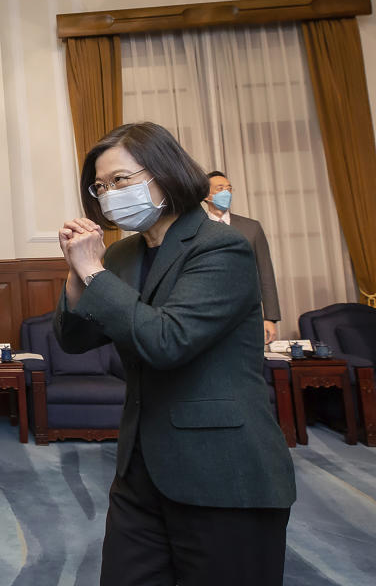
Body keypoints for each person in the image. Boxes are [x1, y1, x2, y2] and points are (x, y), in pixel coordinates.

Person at [55, 122, 295, 586]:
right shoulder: (123, 255)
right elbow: (74, 341)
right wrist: (75, 274)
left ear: (164, 174)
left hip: (223, 473)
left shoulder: (223, 247)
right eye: (100, 186)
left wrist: (92, 270)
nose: (109, 195)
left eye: (121, 180)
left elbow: (168, 341)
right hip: (140, 471)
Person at [204, 170, 281, 343]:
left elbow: (265, 273)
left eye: (229, 188)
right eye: (220, 188)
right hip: (207, 312)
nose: (226, 192)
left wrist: (270, 317)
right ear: (205, 195)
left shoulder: (251, 228)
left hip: (246, 313)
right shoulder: (197, 227)